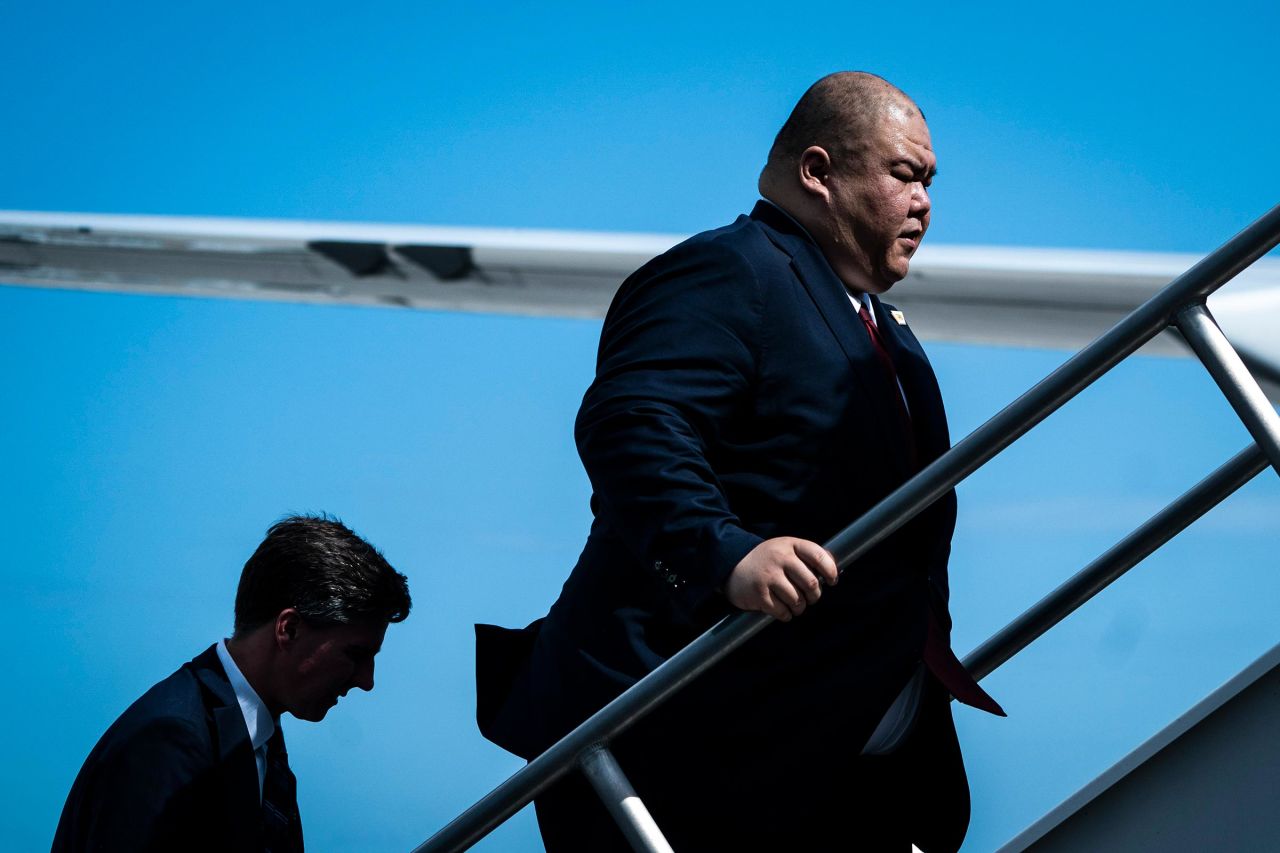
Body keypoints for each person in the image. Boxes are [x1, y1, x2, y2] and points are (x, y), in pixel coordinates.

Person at [476, 71, 1004, 851]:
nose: (924, 201)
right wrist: (728, 555)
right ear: (817, 173)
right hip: (695, 753)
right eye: (903, 174)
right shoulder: (731, 271)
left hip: (827, 760)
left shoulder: (885, 331)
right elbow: (632, 422)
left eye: (928, 181)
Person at [52, 514, 412, 853]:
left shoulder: (254, 737)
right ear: (289, 628)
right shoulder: (171, 740)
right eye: (356, 654)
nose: (367, 681)